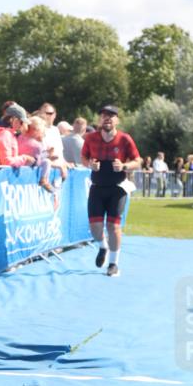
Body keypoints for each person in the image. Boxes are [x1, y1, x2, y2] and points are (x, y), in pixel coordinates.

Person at [81, 105, 141, 277]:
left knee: (113, 226)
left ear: (117, 120)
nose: (107, 118)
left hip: (118, 188)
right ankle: (103, 246)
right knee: (95, 228)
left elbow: (137, 160)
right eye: (104, 115)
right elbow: (83, 157)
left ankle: (113, 263)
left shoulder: (125, 139)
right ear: (99, 120)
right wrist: (89, 165)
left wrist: (124, 166)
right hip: (97, 187)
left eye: (111, 116)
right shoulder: (91, 138)